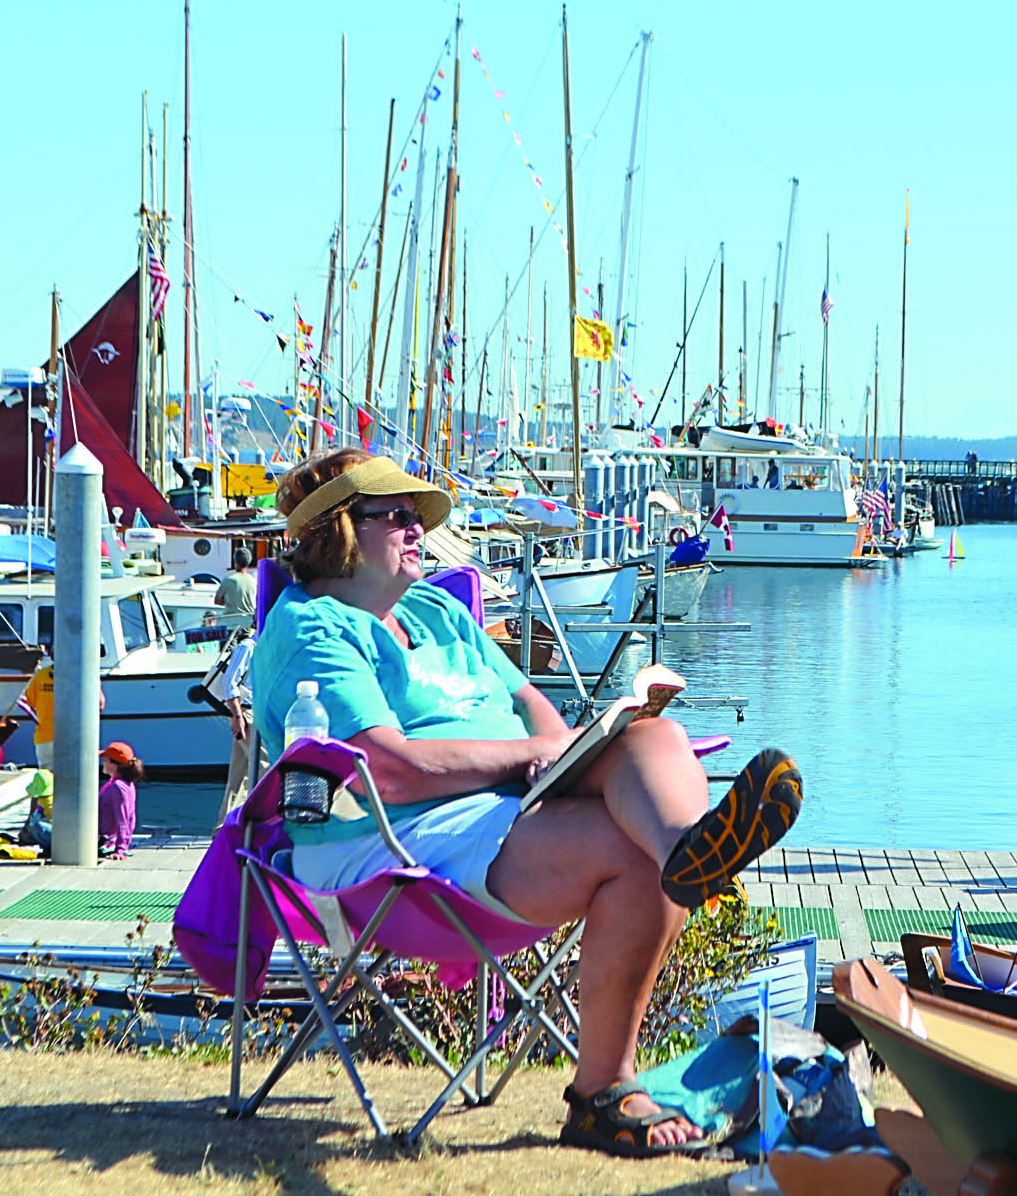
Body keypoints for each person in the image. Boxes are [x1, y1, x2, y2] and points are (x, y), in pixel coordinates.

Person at [250, 448, 803, 1156]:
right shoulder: (311, 629)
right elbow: (387, 771)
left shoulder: (435, 610)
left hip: (508, 806)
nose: (417, 528)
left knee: (653, 733)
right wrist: (532, 757)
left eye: (416, 515)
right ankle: (603, 1093)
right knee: (623, 855)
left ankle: (688, 852)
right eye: (395, 515)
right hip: (393, 844)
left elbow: (529, 702)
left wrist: (567, 755)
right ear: (340, 530)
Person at [213, 632, 257, 823]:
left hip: (252, 713)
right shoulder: (248, 647)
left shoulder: (263, 647)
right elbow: (229, 683)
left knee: (239, 775)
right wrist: (237, 716)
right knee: (262, 768)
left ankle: (223, 827)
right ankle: (253, 823)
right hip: (247, 712)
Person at [100, 740, 142, 858]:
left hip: (104, 840)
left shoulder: (118, 787)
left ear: (114, 764)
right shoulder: (127, 784)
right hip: (107, 839)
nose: (103, 762)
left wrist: (121, 849)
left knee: (43, 828)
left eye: (105, 759)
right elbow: (131, 818)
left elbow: (123, 819)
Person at [215, 542, 258, 621]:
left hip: (230, 624)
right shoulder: (254, 582)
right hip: (248, 624)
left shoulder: (228, 580)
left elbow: (217, 601)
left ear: (236, 562)